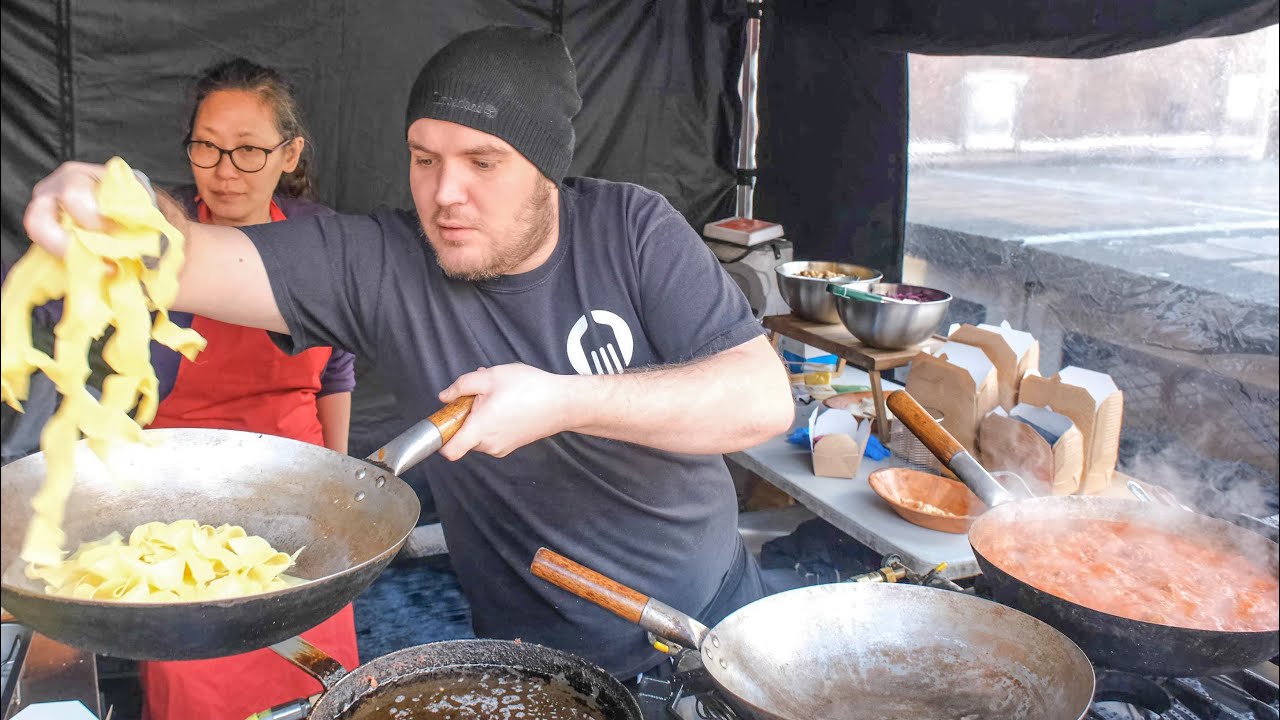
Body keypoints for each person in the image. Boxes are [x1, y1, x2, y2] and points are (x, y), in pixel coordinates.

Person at [21, 26, 794, 683]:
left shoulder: (632, 230)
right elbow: (188, 255)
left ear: (546, 167)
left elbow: (760, 399)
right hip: (532, 658)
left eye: (482, 162)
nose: (444, 193)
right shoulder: (382, 262)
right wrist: (116, 201)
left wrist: (561, 400)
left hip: (713, 612)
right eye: (425, 158)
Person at [133, 58, 359, 719]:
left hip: (299, 501)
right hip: (176, 505)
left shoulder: (322, 243)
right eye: (207, 147)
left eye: (249, 151)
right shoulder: (157, 244)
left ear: (290, 154)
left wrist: (339, 483)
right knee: (193, 682)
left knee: (315, 682)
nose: (225, 169)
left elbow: (335, 372)